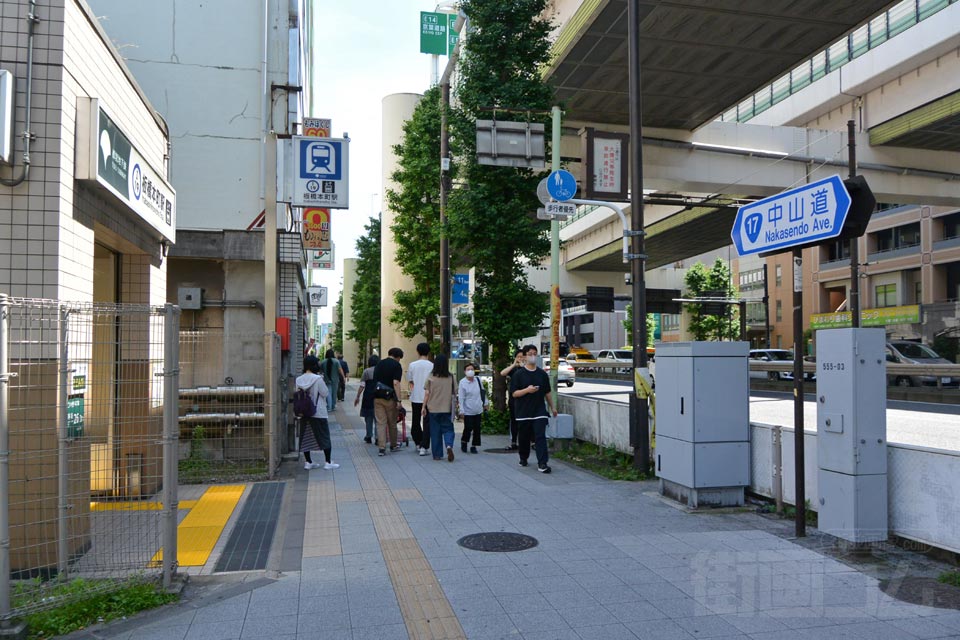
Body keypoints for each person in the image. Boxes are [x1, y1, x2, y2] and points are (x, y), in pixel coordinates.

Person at [509, 344, 557, 473]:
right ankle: (523, 457)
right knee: (524, 438)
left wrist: (553, 407)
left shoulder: (542, 374)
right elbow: (514, 393)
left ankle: (542, 463)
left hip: (539, 411)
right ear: (524, 356)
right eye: (530, 354)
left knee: (540, 437)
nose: (533, 356)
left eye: (535, 353)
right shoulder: (518, 374)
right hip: (523, 412)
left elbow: (547, 392)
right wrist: (527, 390)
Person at [295, 355, 339, 471]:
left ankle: (308, 462)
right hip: (318, 411)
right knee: (324, 436)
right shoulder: (317, 379)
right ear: (314, 365)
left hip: (304, 412)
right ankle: (328, 462)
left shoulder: (298, 380)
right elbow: (325, 393)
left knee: (305, 436)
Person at [423, 354, 458, 462]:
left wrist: (423, 406)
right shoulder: (451, 377)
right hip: (447, 408)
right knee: (448, 429)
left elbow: (427, 393)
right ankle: (448, 445)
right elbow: (455, 392)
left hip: (433, 408)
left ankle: (437, 455)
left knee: (435, 432)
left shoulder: (430, 376)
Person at [373, 347, 404, 456]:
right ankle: (393, 445)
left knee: (380, 423)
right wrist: (399, 400)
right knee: (392, 423)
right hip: (390, 398)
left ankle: (381, 448)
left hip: (377, 397)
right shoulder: (396, 365)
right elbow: (396, 383)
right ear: (398, 357)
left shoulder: (379, 364)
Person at [407, 342, 433, 456]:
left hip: (416, 396)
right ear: (429, 352)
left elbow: (410, 379)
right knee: (427, 422)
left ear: (417, 351)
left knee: (416, 421)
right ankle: (424, 445)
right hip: (429, 398)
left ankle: (418, 443)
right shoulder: (432, 365)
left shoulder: (412, 365)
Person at [458, 362, 487, 454]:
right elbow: (461, 397)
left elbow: (482, 392)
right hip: (468, 410)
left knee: (477, 428)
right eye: (468, 369)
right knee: (468, 427)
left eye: (472, 369)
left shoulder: (478, 380)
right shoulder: (462, 382)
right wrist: (461, 410)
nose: (470, 371)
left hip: (478, 408)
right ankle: (464, 441)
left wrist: (486, 403)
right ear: (464, 371)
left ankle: (474, 445)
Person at [500, 349, 526, 450]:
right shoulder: (514, 369)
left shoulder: (527, 369)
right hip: (514, 399)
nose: (520, 359)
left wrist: (523, 366)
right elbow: (502, 373)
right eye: (518, 357)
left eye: (522, 356)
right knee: (514, 420)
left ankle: (528, 441)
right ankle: (514, 441)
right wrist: (514, 364)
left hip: (525, 399)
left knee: (525, 421)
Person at [354, 354, 379, 443]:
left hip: (368, 396)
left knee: (368, 418)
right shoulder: (380, 370)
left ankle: (368, 436)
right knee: (378, 418)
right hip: (378, 396)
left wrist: (357, 396)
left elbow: (362, 385)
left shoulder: (366, 371)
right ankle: (378, 437)